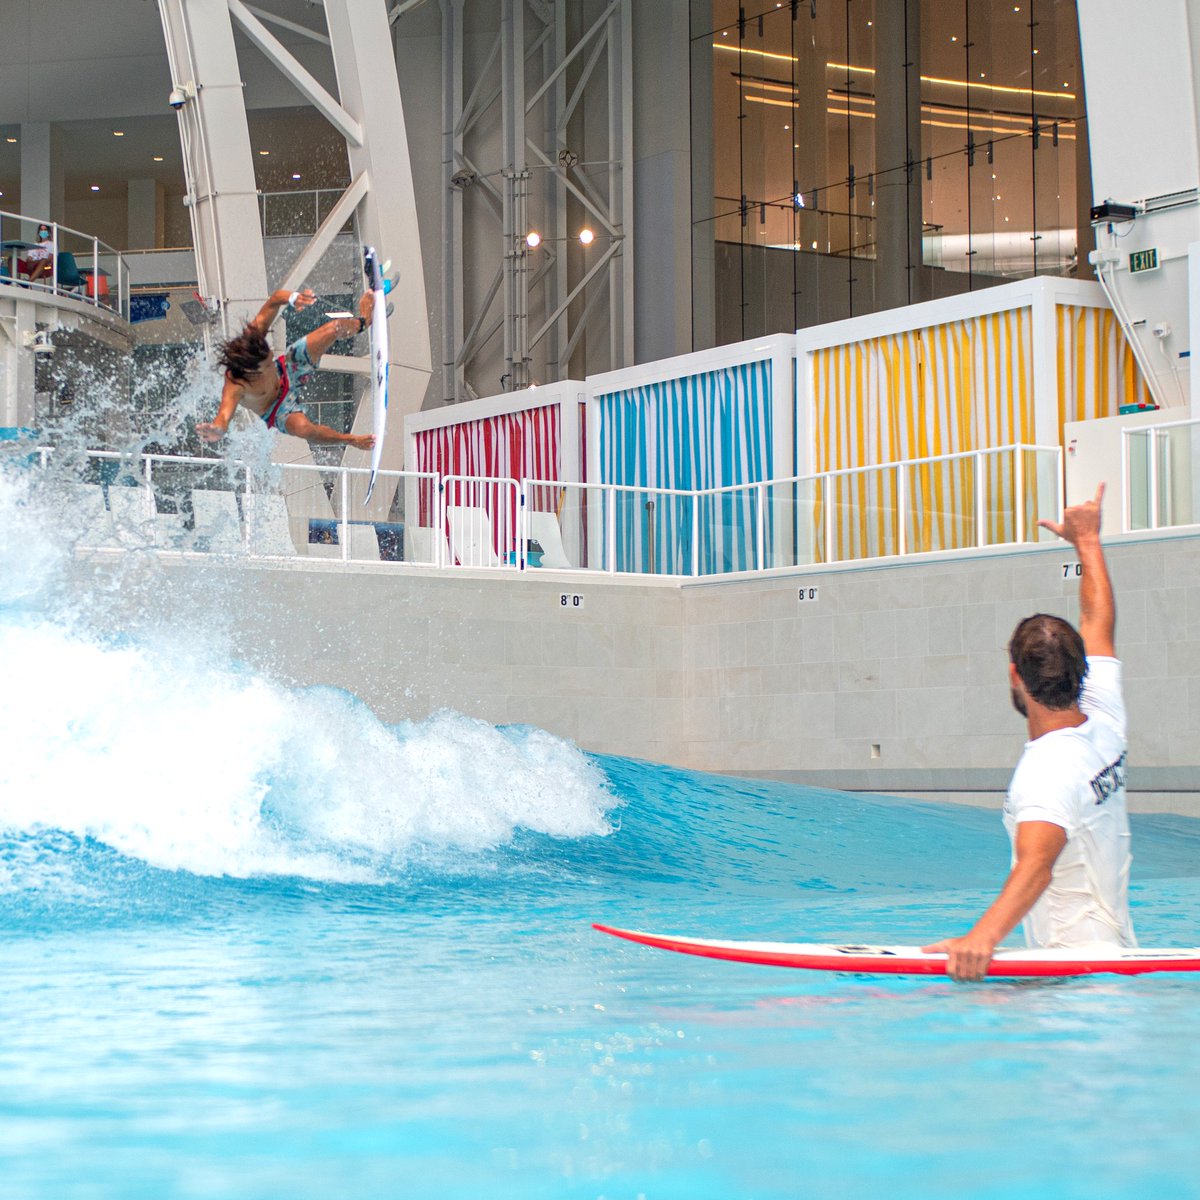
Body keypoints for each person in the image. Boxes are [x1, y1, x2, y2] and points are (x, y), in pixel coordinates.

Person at [924, 484, 1133, 981]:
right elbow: (1097, 619)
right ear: (1083, 667)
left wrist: (982, 938)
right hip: (1114, 959)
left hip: (1067, 979)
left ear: (1015, 675)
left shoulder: (1046, 772)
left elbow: (1036, 865)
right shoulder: (1104, 715)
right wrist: (1087, 540)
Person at [196, 287, 375, 450]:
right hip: (277, 408)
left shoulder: (253, 336)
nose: (270, 362)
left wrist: (293, 297)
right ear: (250, 371)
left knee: (334, 328)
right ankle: (351, 440)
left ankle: (364, 321)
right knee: (304, 429)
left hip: (287, 368)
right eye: (267, 365)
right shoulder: (234, 386)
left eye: (269, 358)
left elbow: (275, 299)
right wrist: (218, 429)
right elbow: (223, 416)